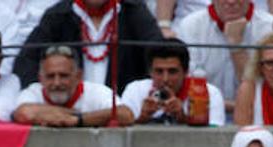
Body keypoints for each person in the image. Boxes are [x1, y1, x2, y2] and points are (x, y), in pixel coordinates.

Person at [15, 0, 163, 92]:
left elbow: (160, 56)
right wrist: (46, 95)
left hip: (123, 110)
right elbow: (26, 62)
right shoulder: (58, 15)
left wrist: (140, 97)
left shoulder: (134, 12)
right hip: (69, 109)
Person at [174, 0, 273, 107]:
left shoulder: (269, 27)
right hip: (205, 110)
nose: (231, 1)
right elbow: (188, 85)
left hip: (252, 112)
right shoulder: (190, 26)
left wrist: (237, 46)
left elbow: (263, 91)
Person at [12, 44, 133, 126]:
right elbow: (23, 113)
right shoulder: (33, 91)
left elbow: (126, 114)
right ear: (40, 78)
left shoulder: (97, 92)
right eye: (50, 76)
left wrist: (79, 120)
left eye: (64, 76)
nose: (57, 83)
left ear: (78, 76)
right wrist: (75, 115)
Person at [119, 38, 224, 125]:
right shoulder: (135, 90)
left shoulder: (208, 93)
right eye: (159, 71)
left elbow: (215, 136)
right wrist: (142, 118)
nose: (165, 79)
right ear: (150, 71)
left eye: (172, 71)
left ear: (186, 71)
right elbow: (121, 133)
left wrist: (183, 118)